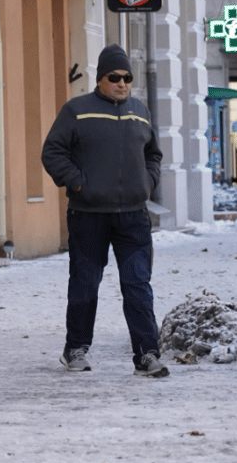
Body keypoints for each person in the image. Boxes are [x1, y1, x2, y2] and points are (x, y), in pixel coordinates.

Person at [40, 44, 168, 378]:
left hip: (133, 215)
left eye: (127, 77)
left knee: (137, 284)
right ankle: (76, 348)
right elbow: (53, 152)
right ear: (100, 79)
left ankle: (147, 354)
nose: (122, 83)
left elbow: (154, 154)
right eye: (115, 77)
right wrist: (80, 184)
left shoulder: (140, 112)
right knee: (85, 284)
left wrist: (148, 182)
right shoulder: (77, 111)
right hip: (88, 214)